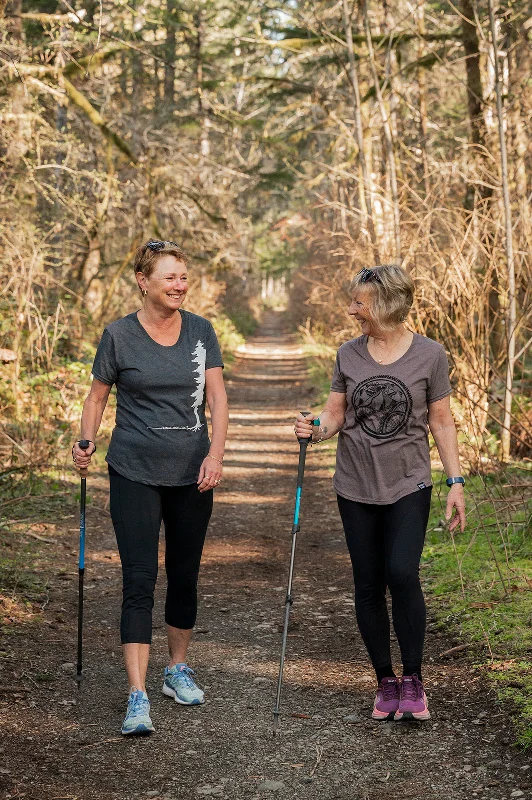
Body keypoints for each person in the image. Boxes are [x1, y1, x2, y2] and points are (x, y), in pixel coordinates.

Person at [294, 264, 466, 722]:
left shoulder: (430, 355)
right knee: (367, 584)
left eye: (359, 303)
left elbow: (441, 421)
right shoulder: (348, 354)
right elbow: (335, 414)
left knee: (402, 573)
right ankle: (385, 682)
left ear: (387, 305)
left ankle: (414, 679)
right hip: (355, 485)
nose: (351, 310)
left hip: (409, 482)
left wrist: (455, 482)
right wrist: (315, 429)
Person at [73, 239, 228, 735]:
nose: (180, 285)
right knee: (139, 580)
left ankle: (176, 669)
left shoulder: (202, 332)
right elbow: (97, 397)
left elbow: (219, 401)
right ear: (144, 281)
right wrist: (85, 441)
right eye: (170, 277)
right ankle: (136, 695)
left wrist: (215, 454)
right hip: (134, 469)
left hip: (192, 475)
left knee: (185, 575)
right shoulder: (118, 335)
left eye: (184, 277)